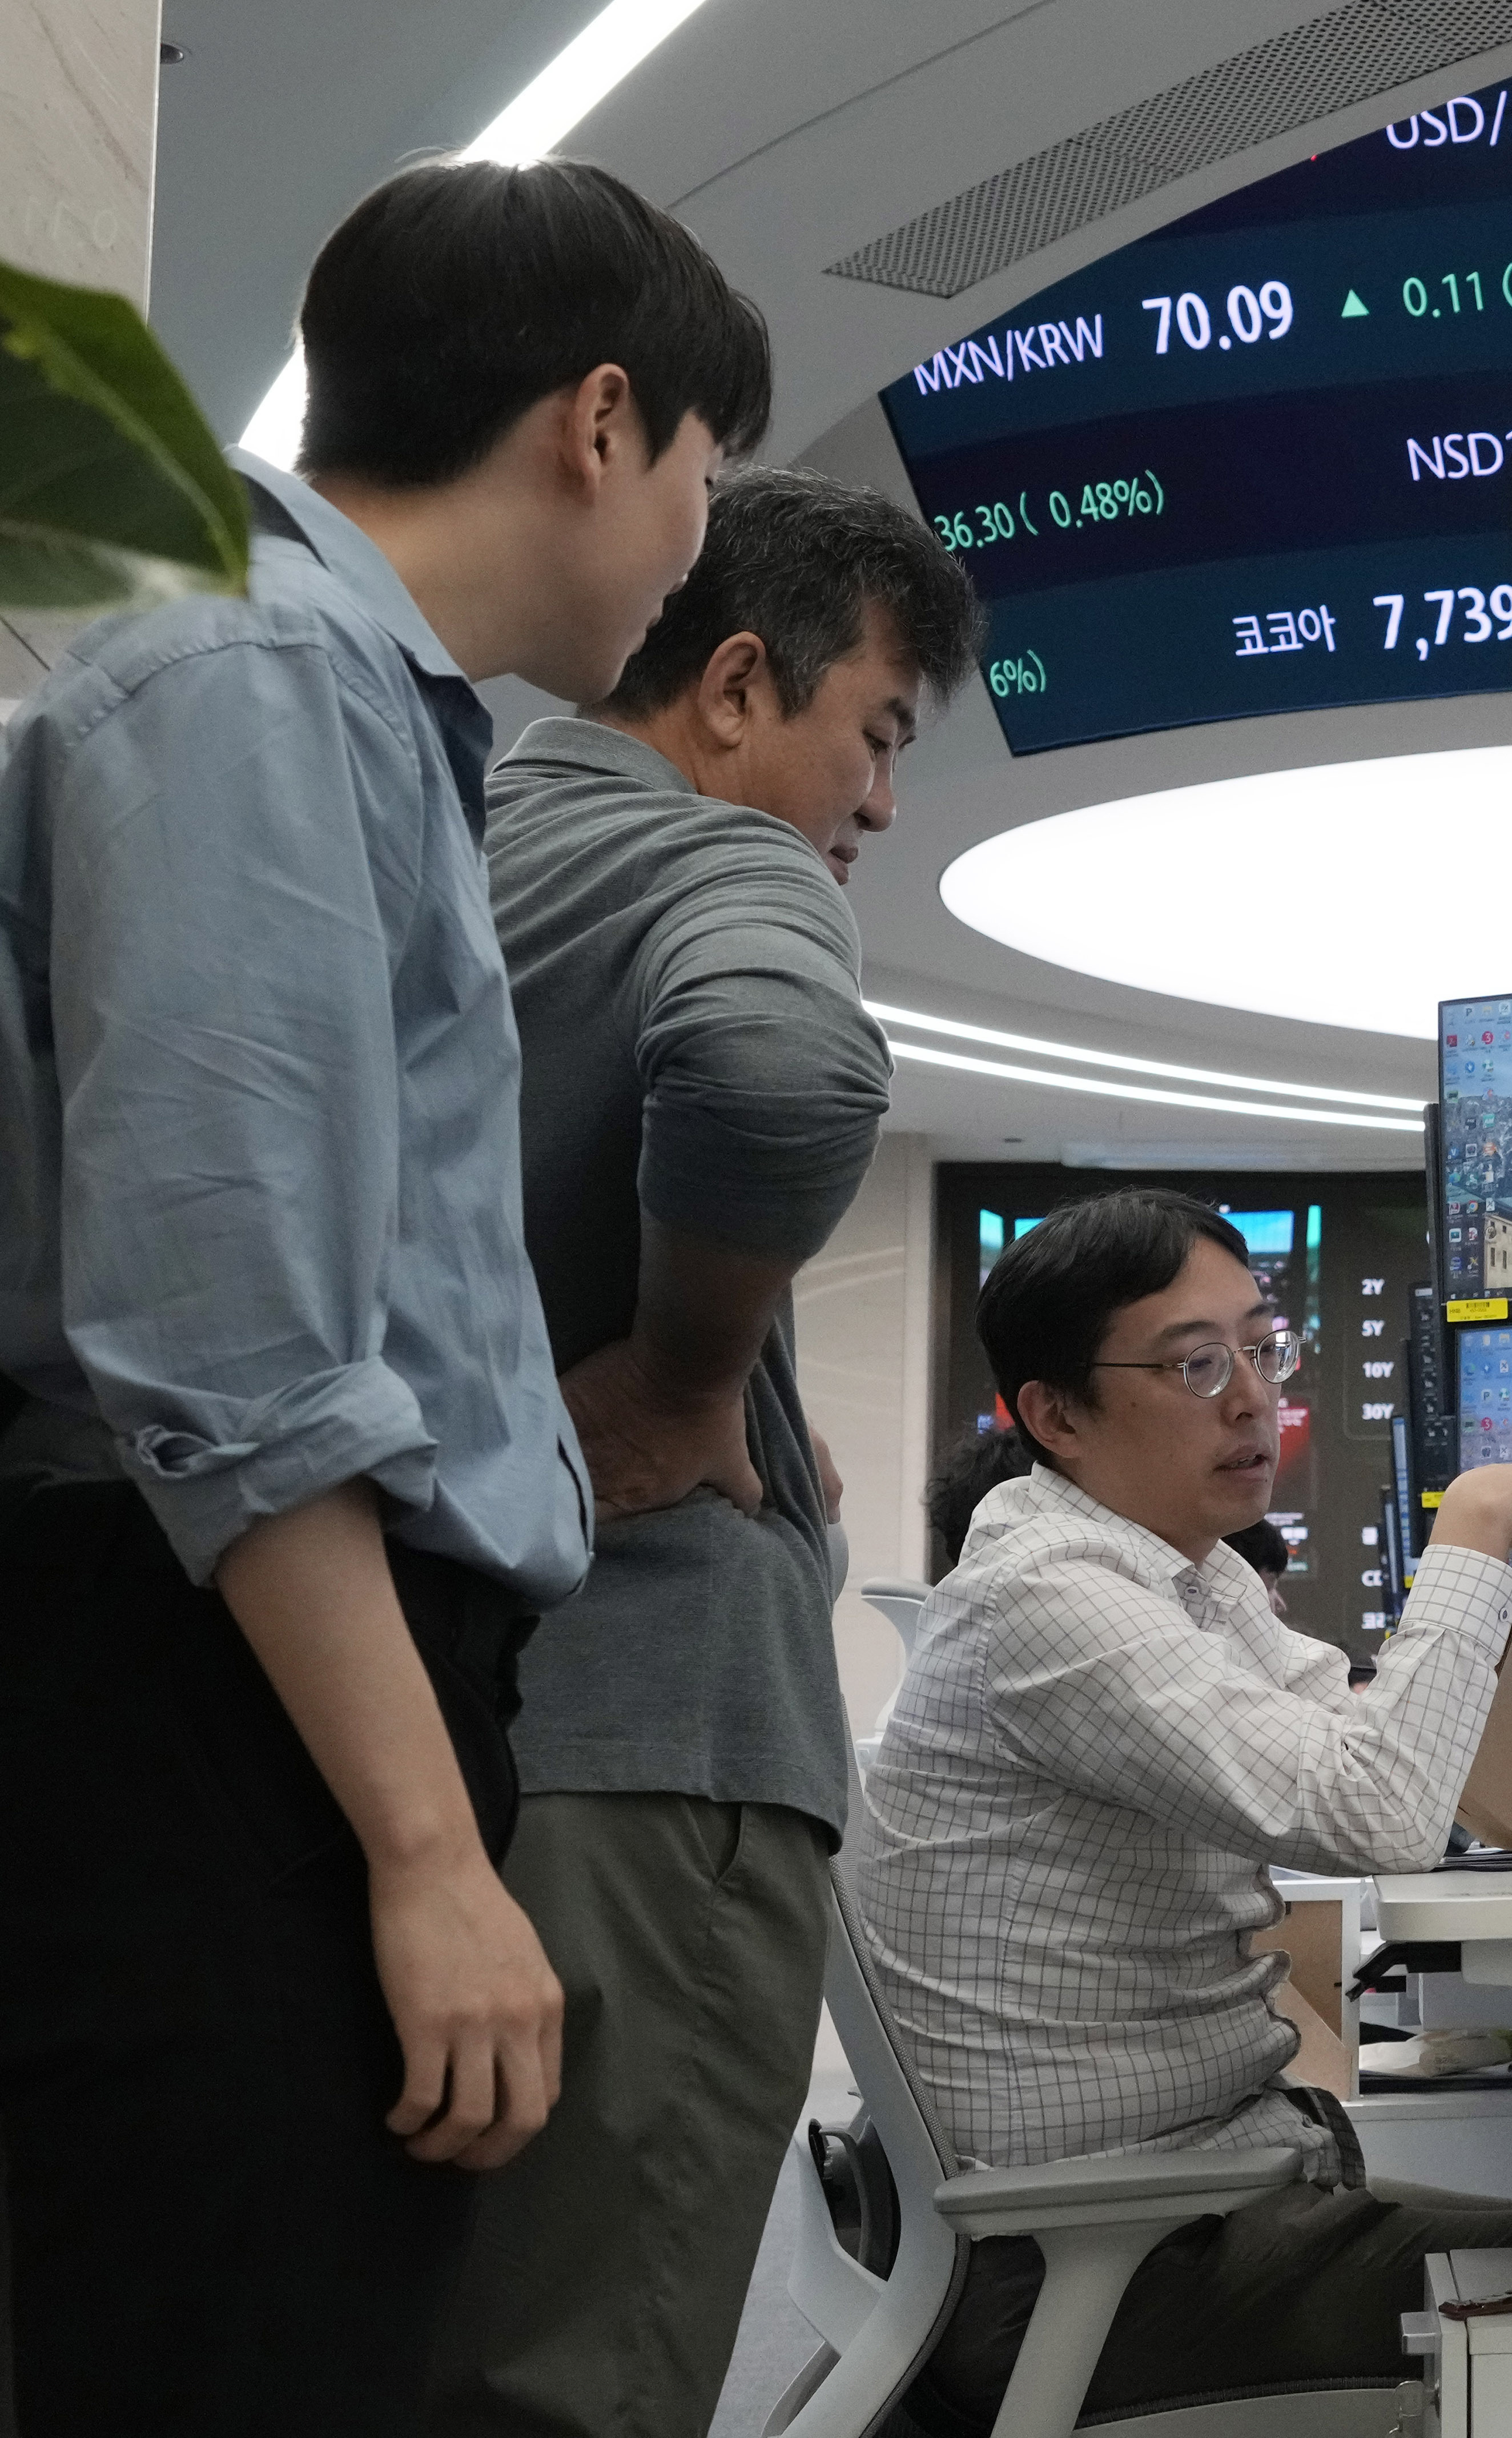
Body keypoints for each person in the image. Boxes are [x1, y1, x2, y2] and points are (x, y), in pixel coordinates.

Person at [0, 155, 768, 2435]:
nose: (696, 543)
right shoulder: (258, 673)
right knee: (239, 2361)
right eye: (707, 479)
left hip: (265, 1676)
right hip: (217, 1691)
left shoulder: (347, 690)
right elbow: (231, 1337)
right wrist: (422, 1851)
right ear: (603, 420)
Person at [424, 470, 979, 2438]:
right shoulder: (720, 868)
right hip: (648, 1769)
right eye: (881, 734)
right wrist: (686, 1369)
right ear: (738, 686)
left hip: (402, 1759)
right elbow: (779, 1065)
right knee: (578, 2378)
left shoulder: (430, 836)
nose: (883, 808)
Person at [848, 1188, 1512, 2422]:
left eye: (1264, 1347)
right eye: (1198, 1364)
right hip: (1094, 2272)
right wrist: (1471, 1527)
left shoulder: (1183, 1578)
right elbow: (1380, 1817)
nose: (1254, 1396)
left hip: (1187, 2211)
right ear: (1054, 1415)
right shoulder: (1048, 1599)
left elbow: (1410, 1779)